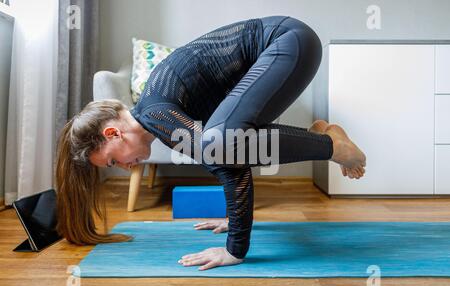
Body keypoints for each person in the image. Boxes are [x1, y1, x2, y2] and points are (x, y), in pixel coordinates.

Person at [56, 16, 366, 271]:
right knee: (227, 140)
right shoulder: (161, 114)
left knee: (221, 142)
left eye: (113, 161)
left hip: (287, 42)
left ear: (113, 134)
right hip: (293, 44)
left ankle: (330, 145)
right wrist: (233, 219)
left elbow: (224, 159)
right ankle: (321, 137)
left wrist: (234, 250)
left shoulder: (157, 116)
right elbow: (232, 159)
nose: (124, 168)